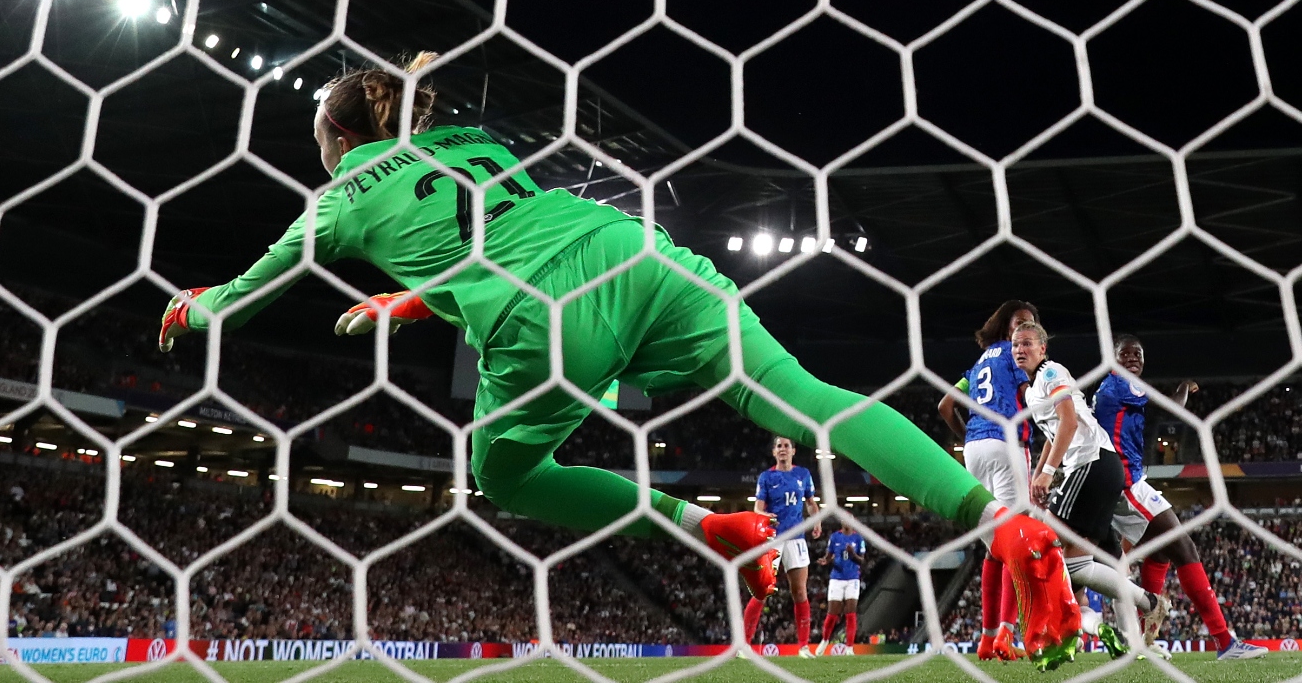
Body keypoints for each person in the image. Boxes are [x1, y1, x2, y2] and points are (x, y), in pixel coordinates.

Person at [157, 53, 1083, 669]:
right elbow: (484, 228)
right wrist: (410, 297)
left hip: (545, 311)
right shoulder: (466, 141)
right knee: (807, 397)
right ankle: (1003, 526)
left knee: (503, 472)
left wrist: (189, 305)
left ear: (338, 141)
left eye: (320, 142)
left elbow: (237, 297)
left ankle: (710, 530)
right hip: (628, 248)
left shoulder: (333, 202)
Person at [1093, 335, 1267, 660]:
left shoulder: (1109, 387)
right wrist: (1185, 386)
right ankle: (1225, 642)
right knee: (1184, 547)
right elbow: (1173, 408)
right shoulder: (1121, 384)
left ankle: (1144, 641)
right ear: (1113, 358)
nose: (1132, 359)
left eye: (1137, 354)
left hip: (1123, 481)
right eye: (1125, 354)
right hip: (1127, 484)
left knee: (1160, 553)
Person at [1010, 320, 1167, 659]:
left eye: (1026, 343)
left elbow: (1068, 422)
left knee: (1043, 547)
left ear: (1042, 348)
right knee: (1086, 563)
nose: (1020, 350)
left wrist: (1048, 473)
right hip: (1098, 468)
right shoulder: (1033, 388)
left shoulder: (1052, 373)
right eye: (1015, 345)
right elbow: (1054, 434)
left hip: (1091, 465)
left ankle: (1063, 633)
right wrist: (1038, 475)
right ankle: (1143, 615)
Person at [937, 300, 1036, 661]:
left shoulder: (980, 362)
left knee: (994, 549)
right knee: (1016, 542)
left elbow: (945, 406)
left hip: (974, 451)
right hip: (1007, 444)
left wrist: (969, 438)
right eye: (1021, 323)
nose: (1025, 331)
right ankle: (1006, 635)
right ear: (1008, 327)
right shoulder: (1017, 355)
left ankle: (987, 638)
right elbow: (1030, 397)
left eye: (1030, 324)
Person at [751, 436, 820, 653]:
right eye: (779, 446)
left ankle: (804, 647)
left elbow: (811, 502)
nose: (783, 449)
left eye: (786, 446)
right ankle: (743, 645)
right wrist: (765, 515)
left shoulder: (803, 475)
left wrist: (816, 520)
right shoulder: (767, 477)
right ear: (774, 452)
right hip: (773, 538)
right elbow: (757, 508)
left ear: (793, 451)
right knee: (761, 590)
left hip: (796, 538)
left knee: (799, 591)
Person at [815, 520, 864, 657]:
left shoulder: (858, 538)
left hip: (853, 578)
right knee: (832, 613)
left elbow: (862, 560)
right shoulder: (835, 537)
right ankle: (825, 640)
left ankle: (849, 648)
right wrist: (825, 560)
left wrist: (853, 554)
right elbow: (829, 555)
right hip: (836, 578)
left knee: (850, 613)